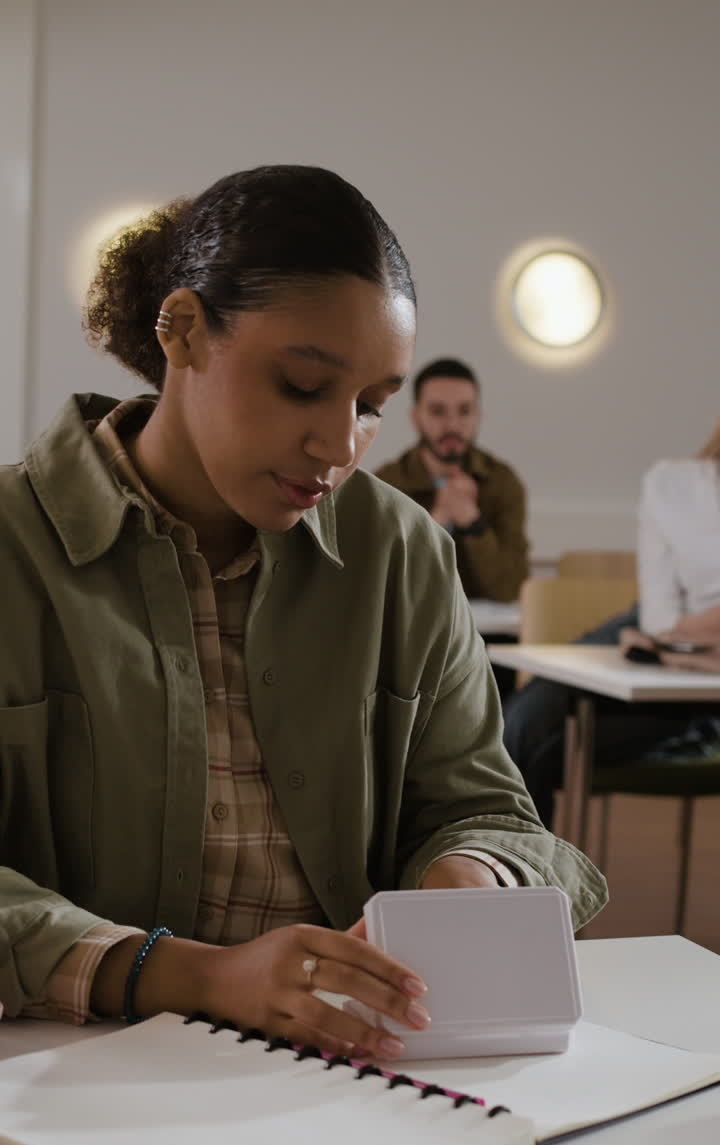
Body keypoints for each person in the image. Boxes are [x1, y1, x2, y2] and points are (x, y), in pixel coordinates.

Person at [0, 166, 606, 1059]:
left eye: (370, 406)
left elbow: (488, 809)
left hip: (354, 1070)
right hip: (72, 1073)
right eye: (300, 386)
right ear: (182, 331)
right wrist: (199, 975)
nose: (338, 446)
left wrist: (462, 881)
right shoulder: (13, 547)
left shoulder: (401, 551)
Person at [503, 421, 720, 829]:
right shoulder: (673, 484)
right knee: (524, 720)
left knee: (550, 750)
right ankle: (509, 877)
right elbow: (659, 619)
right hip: (651, 634)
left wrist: (688, 630)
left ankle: (531, 876)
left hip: (698, 680)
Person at [374, 358, 529, 602]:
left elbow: (511, 589)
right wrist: (437, 521)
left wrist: (472, 523)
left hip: (489, 632)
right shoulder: (386, 485)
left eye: (465, 411)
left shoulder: (502, 482)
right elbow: (382, 585)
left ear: (478, 415)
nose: (453, 425)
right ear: (416, 418)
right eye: (437, 411)